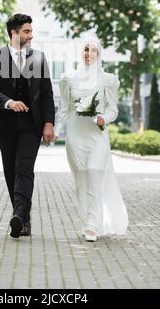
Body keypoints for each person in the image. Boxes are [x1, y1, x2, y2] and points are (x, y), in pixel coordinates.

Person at [0, 14, 55, 238]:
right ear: (14, 33)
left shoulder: (39, 58)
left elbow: (46, 94)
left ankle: (19, 216)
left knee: (24, 169)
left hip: (30, 125)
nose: (31, 35)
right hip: (5, 123)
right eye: (26, 31)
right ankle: (23, 218)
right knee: (9, 172)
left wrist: (49, 123)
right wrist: (9, 102)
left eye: (31, 31)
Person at [53, 36, 128, 241]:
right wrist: (56, 129)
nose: (89, 54)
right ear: (80, 53)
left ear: (99, 54)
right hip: (75, 138)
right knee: (82, 181)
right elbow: (64, 109)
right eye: (85, 50)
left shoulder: (109, 80)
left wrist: (104, 118)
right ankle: (87, 219)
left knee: (94, 178)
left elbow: (113, 109)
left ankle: (92, 225)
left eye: (93, 50)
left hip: (98, 138)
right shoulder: (68, 79)